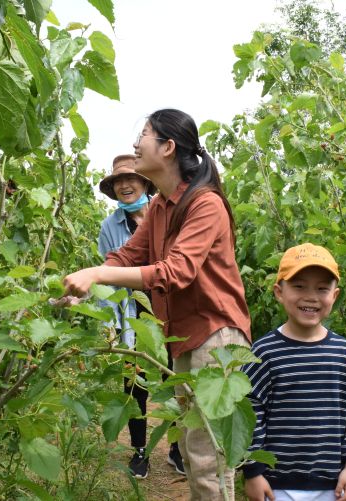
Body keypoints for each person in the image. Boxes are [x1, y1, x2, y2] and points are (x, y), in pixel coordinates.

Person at [63, 108, 251, 500]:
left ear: (167, 147)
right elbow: (129, 254)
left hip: (217, 337)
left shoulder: (205, 204)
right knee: (195, 447)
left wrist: (97, 275)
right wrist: (85, 284)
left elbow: (175, 271)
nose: (136, 143)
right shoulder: (163, 206)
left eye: (144, 134)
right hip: (185, 337)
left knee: (207, 456)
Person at [241, 243, 346, 501]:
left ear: (334, 296)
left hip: (332, 484)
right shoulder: (264, 352)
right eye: (299, 286)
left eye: (322, 288)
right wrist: (253, 471)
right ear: (279, 292)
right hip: (275, 483)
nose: (311, 296)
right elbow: (248, 410)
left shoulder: (344, 353)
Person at [96, 154, 183, 479]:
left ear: (145, 181)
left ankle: (176, 448)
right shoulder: (110, 226)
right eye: (118, 181)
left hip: (168, 315)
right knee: (134, 386)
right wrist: (113, 326)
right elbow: (107, 274)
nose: (124, 185)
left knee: (173, 382)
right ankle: (139, 451)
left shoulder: (165, 216)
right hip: (132, 317)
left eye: (130, 178)